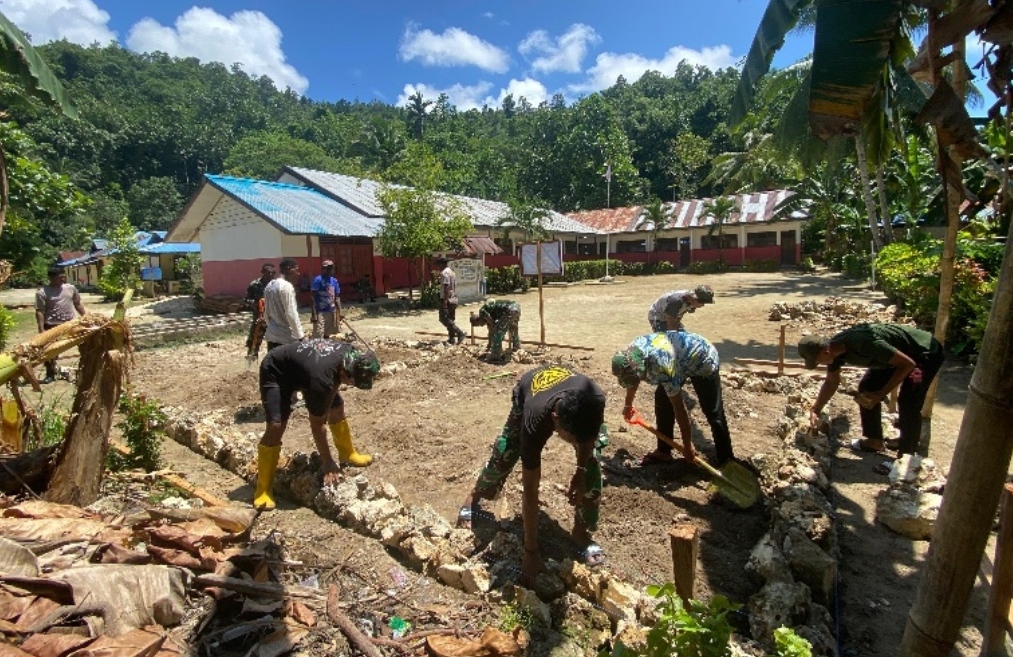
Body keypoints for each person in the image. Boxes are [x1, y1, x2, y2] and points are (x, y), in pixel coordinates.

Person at [457, 365, 608, 584]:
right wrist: (531, 552)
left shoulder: (595, 399)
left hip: (573, 397)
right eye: (572, 439)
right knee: (506, 451)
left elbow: (588, 439)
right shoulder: (535, 421)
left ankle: (581, 532)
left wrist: (581, 471)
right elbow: (530, 491)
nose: (576, 444)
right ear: (555, 420)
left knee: (593, 459)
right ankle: (474, 496)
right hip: (529, 389)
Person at [254, 340, 380, 510]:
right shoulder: (323, 381)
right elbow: (317, 424)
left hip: (307, 370)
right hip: (277, 372)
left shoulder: (351, 353)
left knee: (337, 408)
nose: (350, 385)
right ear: (344, 372)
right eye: (351, 381)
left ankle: (348, 454)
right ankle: (263, 489)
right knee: (276, 426)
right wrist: (327, 462)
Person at [797, 323, 944, 459]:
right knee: (867, 388)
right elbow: (831, 381)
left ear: (826, 351)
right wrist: (816, 409)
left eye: (817, 360)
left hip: (923, 353)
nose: (818, 364)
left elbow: (907, 364)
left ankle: (906, 456)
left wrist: (881, 394)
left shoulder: (864, 343)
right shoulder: (833, 352)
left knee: (908, 400)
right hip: (893, 357)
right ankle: (874, 441)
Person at [612, 331, 735, 467]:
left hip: (702, 358)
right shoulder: (630, 355)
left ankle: (727, 460)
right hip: (678, 359)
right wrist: (628, 405)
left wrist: (687, 445)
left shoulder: (662, 366)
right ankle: (664, 451)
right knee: (662, 399)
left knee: (712, 411)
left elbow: (679, 407)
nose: (638, 379)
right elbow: (633, 380)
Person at [35, 265, 86, 384]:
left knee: (83, 345)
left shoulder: (71, 288)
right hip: (52, 325)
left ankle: (85, 370)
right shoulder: (42, 292)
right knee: (49, 351)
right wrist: (41, 329)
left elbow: (77, 304)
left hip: (71, 323)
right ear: (51, 278)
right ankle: (50, 374)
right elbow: (40, 311)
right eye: (59, 277)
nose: (62, 279)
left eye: (63, 277)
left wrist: (85, 316)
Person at [263, 258, 304, 351]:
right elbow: (291, 313)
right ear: (288, 269)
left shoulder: (270, 285)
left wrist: (271, 327)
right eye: (296, 270)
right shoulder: (286, 287)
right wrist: (300, 336)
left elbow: (266, 313)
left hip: (272, 336)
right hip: (286, 338)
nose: (298, 273)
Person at [647, 285, 714, 332]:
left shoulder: (691, 302)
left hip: (671, 314)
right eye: (701, 303)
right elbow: (670, 323)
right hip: (657, 316)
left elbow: (679, 314)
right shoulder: (676, 301)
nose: (702, 305)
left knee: (682, 336)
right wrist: (673, 335)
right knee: (665, 340)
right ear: (695, 299)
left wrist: (677, 327)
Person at [245, 264, 275, 360]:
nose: (271, 274)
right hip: (259, 317)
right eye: (268, 272)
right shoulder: (254, 285)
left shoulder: (275, 285)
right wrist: (255, 303)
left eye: (273, 272)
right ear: (262, 272)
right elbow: (247, 299)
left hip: (273, 318)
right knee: (254, 340)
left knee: (274, 341)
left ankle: (272, 360)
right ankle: (251, 360)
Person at [436, 257, 466, 345]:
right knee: (451, 319)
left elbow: (446, 287)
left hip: (447, 299)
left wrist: (445, 302)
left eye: (438, 265)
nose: (438, 267)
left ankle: (460, 333)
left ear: (442, 264)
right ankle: (451, 338)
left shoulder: (444, 273)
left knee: (444, 319)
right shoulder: (452, 272)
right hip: (453, 298)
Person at [311, 260, 342, 339]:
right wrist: (314, 314)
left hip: (331, 311)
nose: (329, 270)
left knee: (327, 334)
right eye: (327, 268)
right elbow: (312, 298)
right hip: (320, 312)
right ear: (323, 269)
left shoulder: (334, 281)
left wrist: (340, 312)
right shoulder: (318, 280)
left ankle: (325, 349)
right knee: (318, 335)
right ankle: (317, 350)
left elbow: (337, 298)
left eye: (331, 268)